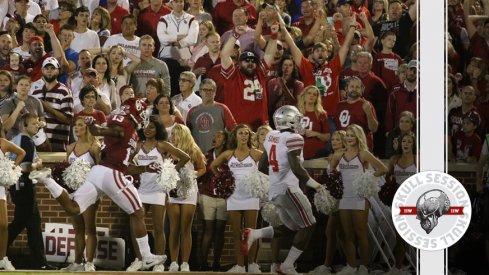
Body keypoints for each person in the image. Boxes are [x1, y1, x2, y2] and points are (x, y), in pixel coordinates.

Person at [30, 97, 167, 270]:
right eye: (143, 111)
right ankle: (146, 256)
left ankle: (46, 179)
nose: (145, 115)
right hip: (111, 174)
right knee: (138, 211)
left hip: (100, 173)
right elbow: (109, 131)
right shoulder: (124, 123)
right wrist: (94, 126)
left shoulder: (129, 128)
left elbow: (123, 163)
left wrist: (145, 168)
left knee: (74, 208)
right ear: (137, 111)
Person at [244, 105, 320, 275]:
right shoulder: (295, 138)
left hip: (275, 189)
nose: (300, 122)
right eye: (297, 119)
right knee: (309, 225)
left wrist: (274, 180)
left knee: (291, 226)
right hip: (288, 188)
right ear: (290, 120)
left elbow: (262, 165)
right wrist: (316, 185)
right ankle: (287, 265)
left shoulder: (271, 135)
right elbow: (297, 168)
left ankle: (255, 234)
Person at [126, 119, 190, 272]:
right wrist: (140, 169)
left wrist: (170, 171)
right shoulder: (138, 145)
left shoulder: (162, 145)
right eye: (146, 127)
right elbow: (126, 164)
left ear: (157, 129)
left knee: (158, 227)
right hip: (140, 189)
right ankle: (140, 259)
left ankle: (159, 262)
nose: (148, 130)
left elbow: (185, 157)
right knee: (134, 224)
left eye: (152, 127)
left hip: (158, 190)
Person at [329, 124, 387, 275]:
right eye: (347, 135)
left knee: (361, 232)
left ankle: (364, 267)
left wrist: (367, 178)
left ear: (358, 137)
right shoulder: (338, 155)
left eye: (352, 135)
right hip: (344, 198)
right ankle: (351, 266)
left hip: (359, 197)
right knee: (347, 234)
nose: (349, 138)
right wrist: (333, 181)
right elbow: (331, 172)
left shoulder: (364, 154)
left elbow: (383, 169)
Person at [210, 124, 263, 273]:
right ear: (236, 136)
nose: (244, 136)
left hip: (251, 197)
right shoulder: (228, 154)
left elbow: (268, 167)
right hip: (234, 197)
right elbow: (213, 166)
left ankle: (252, 265)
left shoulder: (256, 154)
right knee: (236, 233)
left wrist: (261, 182)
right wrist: (222, 179)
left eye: (246, 133)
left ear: (249, 136)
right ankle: (239, 266)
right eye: (241, 133)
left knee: (251, 233)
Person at [7, 113, 55, 270]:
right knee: (20, 223)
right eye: (34, 124)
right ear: (24, 126)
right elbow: (25, 167)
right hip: (24, 186)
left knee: (33, 224)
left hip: (19, 186)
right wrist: (38, 165)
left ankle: (40, 262)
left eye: (37, 123)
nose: (37, 126)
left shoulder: (19, 139)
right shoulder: (26, 140)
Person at [219, 21, 278, 131]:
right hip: (237, 128)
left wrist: (274, 35)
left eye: (253, 61)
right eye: (246, 61)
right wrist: (235, 35)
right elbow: (224, 54)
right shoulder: (232, 74)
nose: (250, 63)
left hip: (260, 128)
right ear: (239, 64)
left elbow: (270, 53)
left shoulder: (260, 73)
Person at [61, 116, 101, 271]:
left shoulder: (95, 147)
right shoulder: (70, 147)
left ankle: (89, 263)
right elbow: (65, 170)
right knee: (78, 229)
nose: (76, 128)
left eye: (80, 125)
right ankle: (77, 263)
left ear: (88, 128)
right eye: (75, 126)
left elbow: (100, 171)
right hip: (73, 193)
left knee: (90, 228)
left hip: (90, 193)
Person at [167, 124, 206, 272]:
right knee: (174, 228)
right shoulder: (168, 150)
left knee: (185, 228)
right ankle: (173, 262)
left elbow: (202, 168)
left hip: (189, 191)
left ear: (183, 135)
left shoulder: (193, 150)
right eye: (172, 134)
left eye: (176, 134)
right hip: (172, 191)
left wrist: (191, 176)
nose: (173, 137)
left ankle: (185, 263)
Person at [309, 130, 347, 275]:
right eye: (333, 139)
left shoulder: (344, 156)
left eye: (338, 139)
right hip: (335, 199)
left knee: (337, 232)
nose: (335, 141)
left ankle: (336, 264)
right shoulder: (331, 155)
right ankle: (334, 264)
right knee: (334, 232)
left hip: (342, 199)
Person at [384, 132, 416, 275]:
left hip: (414, 202)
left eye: (409, 141)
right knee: (400, 237)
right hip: (399, 201)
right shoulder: (394, 159)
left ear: (413, 144)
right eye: (404, 141)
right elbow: (387, 177)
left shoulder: (418, 160)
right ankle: (398, 268)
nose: (406, 144)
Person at [199, 130, 229, 272]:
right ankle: (203, 263)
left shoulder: (230, 155)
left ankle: (216, 262)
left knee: (220, 230)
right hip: (208, 194)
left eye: (218, 136)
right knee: (208, 229)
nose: (215, 138)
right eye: (214, 136)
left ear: (225, 140)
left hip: (224, 197)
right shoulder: (207, 155)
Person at [30, 57, 73, 151]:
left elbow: (68, 119)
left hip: (58, 145)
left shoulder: (65, 92)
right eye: (46, 68)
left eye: (52, 68)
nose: (49, 71)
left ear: (58, 70)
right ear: (42, 70)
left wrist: (49, 109)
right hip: (38, 144)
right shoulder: (35, 93)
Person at [0, 121, 25, 272]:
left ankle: (2, 259)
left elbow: (22, 153)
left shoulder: (3, 143)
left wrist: (11, 169)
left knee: (3, 225)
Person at [186, 78, 237, 153]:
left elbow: (234, 130)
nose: (208, 92)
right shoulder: (192, 111)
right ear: (200, 92)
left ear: (215, 93)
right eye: (205, 90)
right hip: (197, 154)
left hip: (217, 154)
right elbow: (187, 134)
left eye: (211, 90)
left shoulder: (222, 108)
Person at [335, 76, 378, 152]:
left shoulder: (366, 105)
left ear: (362, 90)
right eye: (352, 86)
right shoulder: (339, 105)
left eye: (357, 87)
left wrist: (368, 112)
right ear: (346, 89)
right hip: (343, 149)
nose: (354, 89)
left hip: (361, 149)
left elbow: (374, 129)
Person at [1, 75, 45, 140]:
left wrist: (42, 123)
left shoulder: (36, 101)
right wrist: (17, 109)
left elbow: (43, 120)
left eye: (26, 85)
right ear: (16, 86)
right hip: (14, 140)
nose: (23, 87)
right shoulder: (8, 103)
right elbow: (5, 127)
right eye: (21, 84)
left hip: (33, 140)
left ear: (30, 87)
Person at [296, 85, 330, 159]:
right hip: (299, 152)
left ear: (317, 98)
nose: (311, 96)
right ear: (304, 96)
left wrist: (315, 134)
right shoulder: (296, 113)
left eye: (314, 94)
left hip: (317, 152)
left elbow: (327, 137)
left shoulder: (321, 114)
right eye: (309, 93)